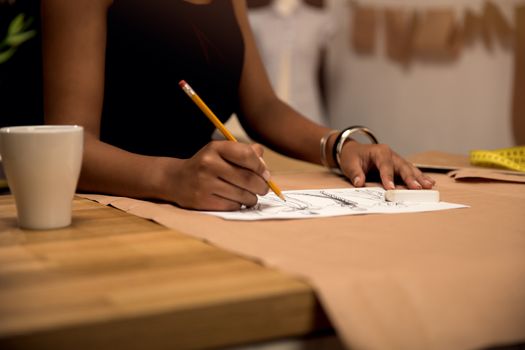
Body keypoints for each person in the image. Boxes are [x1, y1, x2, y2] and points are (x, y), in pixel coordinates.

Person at [41, 0, 434, 211]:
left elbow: (262, 106)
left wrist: (341, 146)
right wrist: (172, 179)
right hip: (110, 210)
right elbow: (68, 148)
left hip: (208, 207)